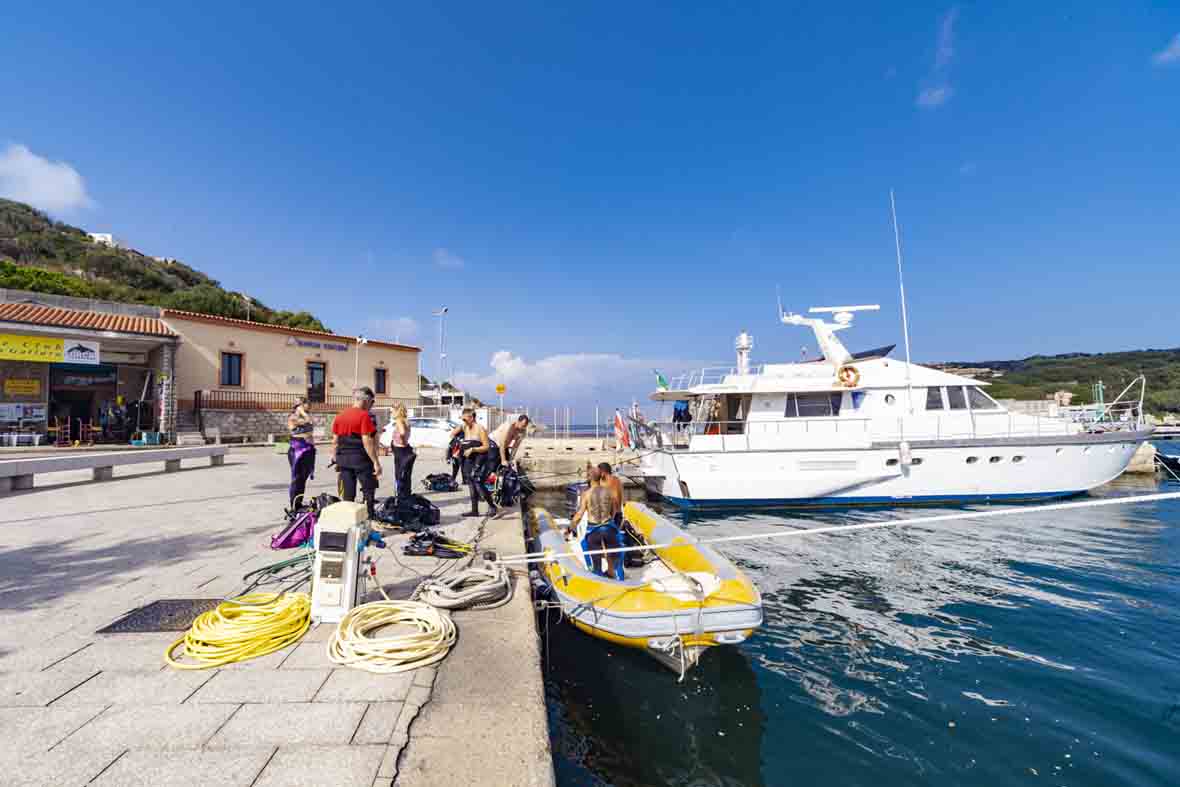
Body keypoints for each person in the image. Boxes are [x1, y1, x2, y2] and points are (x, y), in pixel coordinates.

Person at [331, 387, 382, 515]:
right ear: (366, 400)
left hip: (343, 459)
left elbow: (335, 441)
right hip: (361, 459)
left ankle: (350, 519)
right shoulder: (364, 416)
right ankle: (369, 517)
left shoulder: (339, 416)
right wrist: (376, 462)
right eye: (371, 402)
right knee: (368, 490)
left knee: (348, 494)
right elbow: (367, 442)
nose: (371, 405)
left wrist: (334, 458)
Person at [449, 407, 496, 518]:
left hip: (479, 458)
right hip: (468, 459)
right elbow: (452, 434)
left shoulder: (480, 429)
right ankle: (474, 510)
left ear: (471, 417)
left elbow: (486, 447)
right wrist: (458, 442)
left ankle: (492, 506)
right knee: (470, 483)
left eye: (465, 419)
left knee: (478, 482)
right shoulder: (465, 426)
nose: (463, 421)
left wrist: (473, 449)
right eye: (462, 419)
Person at [580, 469, 624, 580]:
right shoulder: (609, 492)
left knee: (594, 558)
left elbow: (579, 514)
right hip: (608, 527)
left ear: (590, 478)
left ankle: (595, 573)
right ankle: (619, 577)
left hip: (593, 530)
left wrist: (570, 528)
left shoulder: (586, 494)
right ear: (601, 477)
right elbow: (614, 511)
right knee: (615, 555)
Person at [287, 396, 316, 508]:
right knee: (297, 478)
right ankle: (294, 505)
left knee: (303, 478)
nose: (310, 406)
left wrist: (304, 413)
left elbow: (312, 422)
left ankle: (298, 502)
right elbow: (308, 421)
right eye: (307, 404)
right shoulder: (292, 417)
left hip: (307, 449)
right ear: (300, 405)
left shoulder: (306, 416)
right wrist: (301, 411)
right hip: (297, 450)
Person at [390, 403, 415, 500]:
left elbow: (402, 432)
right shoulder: (405, 420)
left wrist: (403, 441)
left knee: (399, 474)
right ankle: (406, 493)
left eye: (392, 410)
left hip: (400, 449)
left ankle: (400, 495)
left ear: (397, 411)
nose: (391, 412)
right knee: (406, 474)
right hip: (404, 449)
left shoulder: (399, 420)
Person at [597, 462, 624, 528]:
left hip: (611, 516)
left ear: (603, 471)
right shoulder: (617, 480)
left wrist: (611, 518)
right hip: (616, 514)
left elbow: (615, 500)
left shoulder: (611, 482)